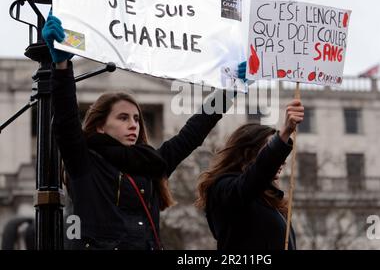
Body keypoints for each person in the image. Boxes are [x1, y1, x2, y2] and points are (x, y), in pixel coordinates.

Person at [43, 13, 242, 250]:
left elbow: (193, 132)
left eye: (136, 118)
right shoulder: (85, 161)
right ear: (100, 125)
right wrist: (62, 68)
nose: (133, 125)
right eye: (123, 117)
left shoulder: (153, 163)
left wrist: (229, 90)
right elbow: (65, 121)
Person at [195, 100, 304, 250]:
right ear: (247, 153)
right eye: (269, 148)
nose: (281, 161)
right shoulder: (224, 189)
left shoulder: (271, 200)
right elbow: (250, 184)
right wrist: (284, 133)